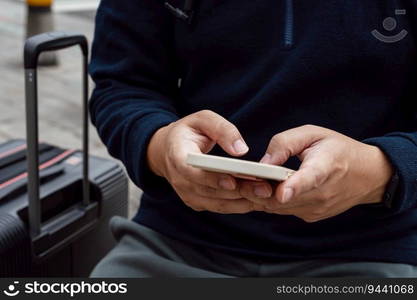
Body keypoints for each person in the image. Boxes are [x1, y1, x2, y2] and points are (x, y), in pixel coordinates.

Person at [88, 0, 417, 277]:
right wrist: (161, 147)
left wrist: (381, 169)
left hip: (377, 249)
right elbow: (123, 84)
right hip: (174, 241)